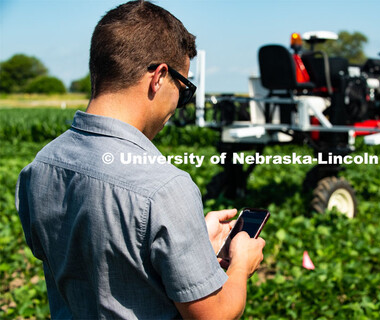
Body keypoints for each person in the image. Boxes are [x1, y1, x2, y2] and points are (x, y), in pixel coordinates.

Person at [15, 1, 265, 319]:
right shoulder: (164, 187)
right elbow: (213, 315)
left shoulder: (39, 167)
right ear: (159, 77)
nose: (179, 104)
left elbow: (104, 263)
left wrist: (188, 241)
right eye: (184, 90)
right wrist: (242, 263)